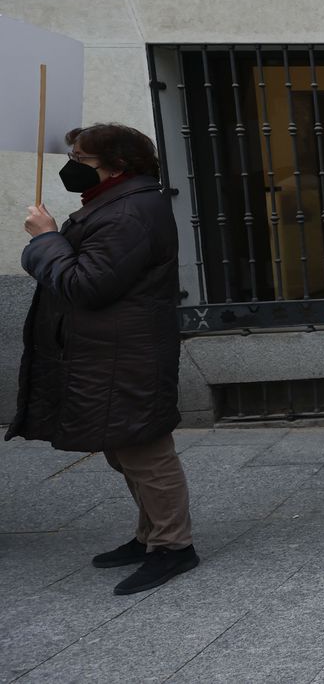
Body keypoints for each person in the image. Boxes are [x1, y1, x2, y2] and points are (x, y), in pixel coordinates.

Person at [11, 124, 197, 595]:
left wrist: (45, 239)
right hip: (107, 350)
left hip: (125, 353)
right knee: (123, 447)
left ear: (117, 165)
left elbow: (85, 286)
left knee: (146, 452)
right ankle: (150, 535)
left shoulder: (129, 212)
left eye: (80, 158)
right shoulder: (115, 202)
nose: (70, 164)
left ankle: (174, 547)